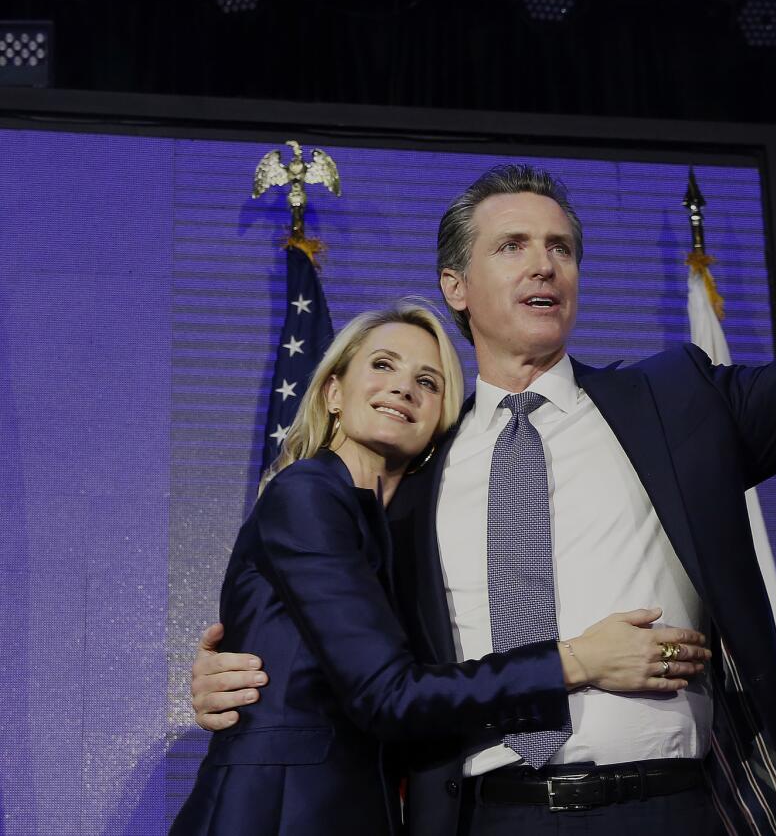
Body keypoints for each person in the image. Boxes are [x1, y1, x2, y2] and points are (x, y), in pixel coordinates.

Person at [192, 0, 776, 835]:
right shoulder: (411, 484)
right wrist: (230, 681)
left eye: (560, 247)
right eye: (512, 245)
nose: (543, 263)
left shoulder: (679, 402)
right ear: (457, 288)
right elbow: (368, 674)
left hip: (670, 809)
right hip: (484, 820)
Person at [171, 301, 711, 836]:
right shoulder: (308, 494)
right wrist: (579, 660)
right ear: (333, 391)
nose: (404, 387)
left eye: (427, 382)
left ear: (440, 424)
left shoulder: (388, 533)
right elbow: (391, 696)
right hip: (276, 814)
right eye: (382, 365)